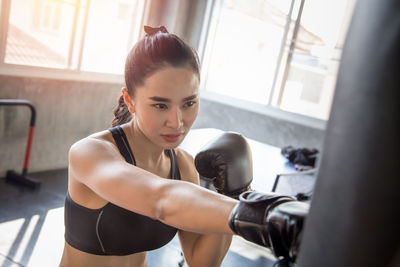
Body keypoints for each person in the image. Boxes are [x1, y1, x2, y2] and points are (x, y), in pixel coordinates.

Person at [60, 26, 308, 267]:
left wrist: (232, 193)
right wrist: (261, 213)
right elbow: (160, 198)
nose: (177, 122)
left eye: (189, 103)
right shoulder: (90, 153)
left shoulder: (184, 167)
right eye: (160, 105)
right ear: (130, 101)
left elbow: (202, 262)